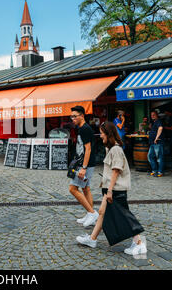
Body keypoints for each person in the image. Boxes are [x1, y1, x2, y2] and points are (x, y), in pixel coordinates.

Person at [76, 121, 147, 255]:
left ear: (108, 134)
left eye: (102, 133)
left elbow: (116, 171)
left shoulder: (116, 149)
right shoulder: (110, 148)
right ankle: (92, 239)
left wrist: (109, 191)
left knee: (125, 216)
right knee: (102, 212)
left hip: (115, 190)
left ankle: (139, 243)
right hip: (110, 189)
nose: (100, 135)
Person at [69, 106, 99, 227]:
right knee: (86, 189)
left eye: (75, 116)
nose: (73, 119)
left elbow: (88, 149)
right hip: (85, 163)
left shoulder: (85, 129)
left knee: (73, 189)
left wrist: (84, 167)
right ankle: (90, 213)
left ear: (82, 116)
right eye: (71, 116)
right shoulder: (82, 128)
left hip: (85, 164)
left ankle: (92, 213)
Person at [148, 110, 164, 177]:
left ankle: (160, 172)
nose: (152, 116)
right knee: (150, 156)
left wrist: (156, 137)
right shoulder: (154, 122)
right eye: (151, 115)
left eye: (153, 115)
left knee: (159, 157)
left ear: (157, 115)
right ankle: (154, 170)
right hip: (152, 142)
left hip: (157, 142)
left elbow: (160, 128)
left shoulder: (158, 121)